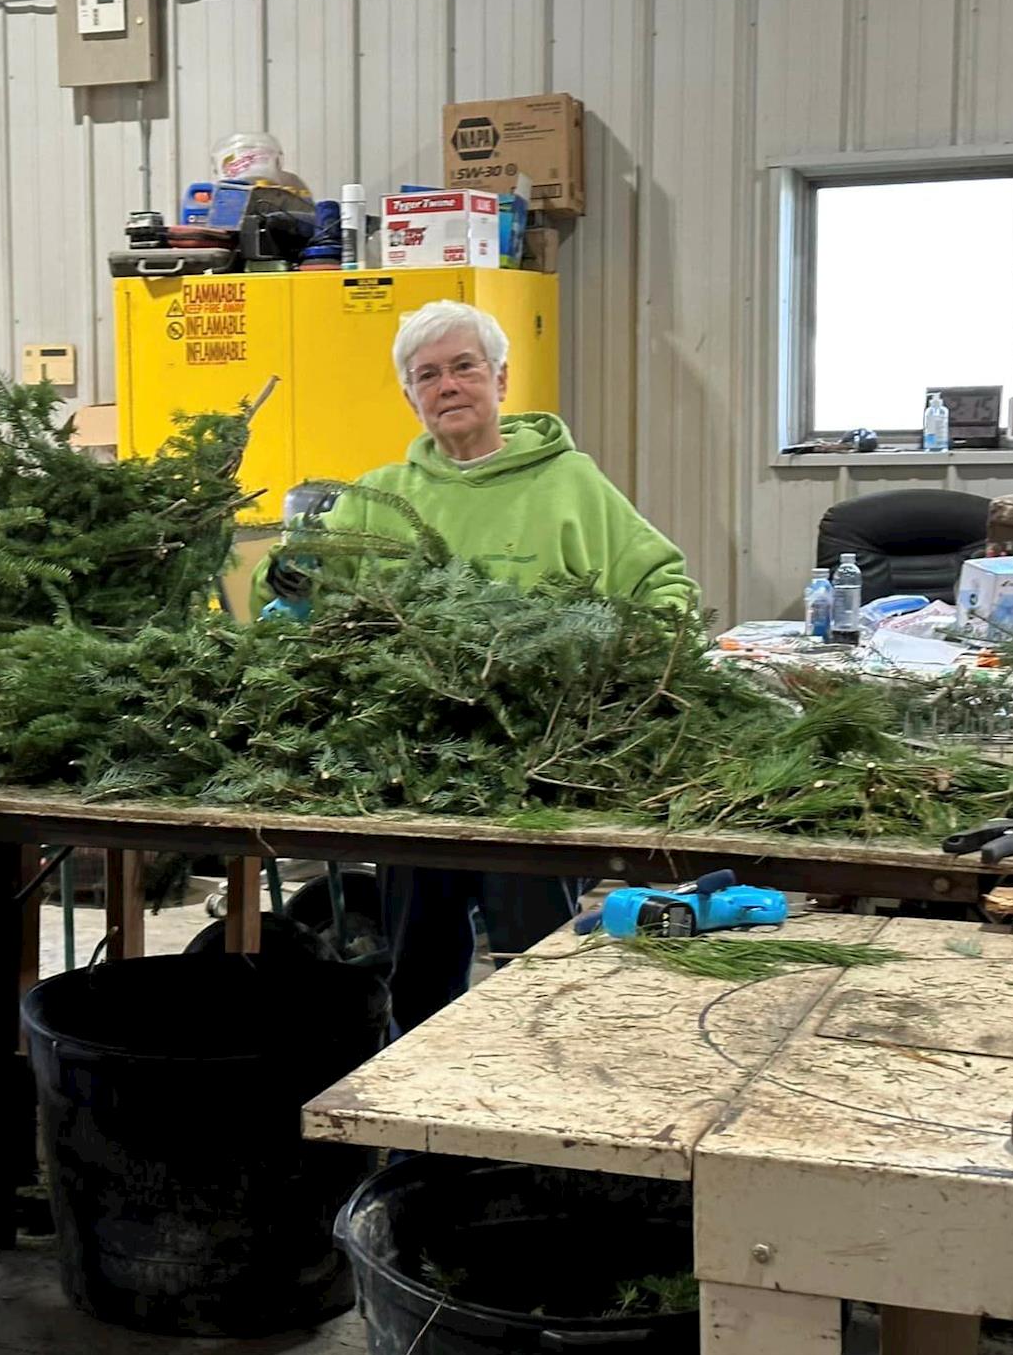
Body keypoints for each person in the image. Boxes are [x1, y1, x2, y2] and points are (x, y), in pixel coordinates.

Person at [261, 299, 699, 1035]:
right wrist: (291, 592)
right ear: (410, 396)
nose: (449, 386)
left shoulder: (572, 485)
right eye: (427, 375)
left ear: (499, 376)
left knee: (535, 963)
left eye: (464, 367)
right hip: (414, 773)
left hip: (535, 771)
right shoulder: (382, 498)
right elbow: (295, 611)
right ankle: (421, 1130)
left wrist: (625, 661)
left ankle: (536, 1118)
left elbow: (666, 587)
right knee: (419, 963)